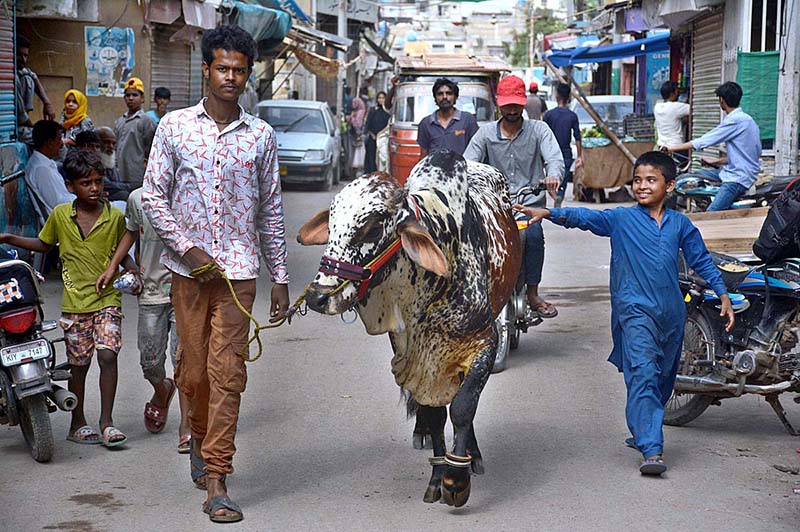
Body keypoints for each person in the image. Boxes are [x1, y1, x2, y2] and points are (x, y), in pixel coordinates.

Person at [142, 24, 290, 524]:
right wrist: (188, 248)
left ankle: (218, 479)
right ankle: (199, 441)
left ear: (249, 76)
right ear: (206, 70)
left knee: (228, 373)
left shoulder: (261, 136)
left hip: (240, 275)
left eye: (240, 71)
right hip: (188, 275)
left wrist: (281, 277)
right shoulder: (175, 127)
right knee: (193, 372)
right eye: (222, 68)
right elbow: (152, 198)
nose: (231, 77)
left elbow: (270, 210)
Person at [513, 151, 734, 476]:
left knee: (663, 378)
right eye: (637, 180)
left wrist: (723, 293)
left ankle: (644, 426)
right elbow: (583, 218)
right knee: (643, 372)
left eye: (650, 180)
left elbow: (701, 259)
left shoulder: (680, 225)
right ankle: (651, 447)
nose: (641, 186)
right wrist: (548, 212)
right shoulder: (622, 219)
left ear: (669, 185)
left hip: (673, 313)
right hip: (634, 311)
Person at [0, 150, 139, 448]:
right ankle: (77, 423)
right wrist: (10, 239)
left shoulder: (114, 216)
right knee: (79, 365)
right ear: (70, 186)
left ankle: (107, 422)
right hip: (75, 304)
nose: (94, 188)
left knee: (107, 355)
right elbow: (44, 243)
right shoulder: (61, 215)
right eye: (86, 183)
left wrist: (134, 271)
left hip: (107, 299)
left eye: (98, 182)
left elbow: (122, 251)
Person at [96, 186, 191, 453]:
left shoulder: (191, 192)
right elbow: (130, 230)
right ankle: (162, 390)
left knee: (183, 361)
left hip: (185, 290)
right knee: (150, 363)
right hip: (150, 292)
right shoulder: (138, 198)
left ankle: (187, 427)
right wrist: (115, 266)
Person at [464, 74, 564, 319]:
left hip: (528, 206)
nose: (511, 110)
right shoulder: (485, 134)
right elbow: (468, 163)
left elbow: (554, 159)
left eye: (516, 104)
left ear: (523, 103)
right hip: (494, 206)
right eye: (507, 104)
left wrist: (552, 176)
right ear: (499, 104)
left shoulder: (539, 129)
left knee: (533, 236)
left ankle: (532, 293)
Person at [664, 82, 761, 211]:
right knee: (690, 178)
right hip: (731, 172)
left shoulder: (735, 120)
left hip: (737, 179)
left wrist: (670, 148)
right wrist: (715, 161)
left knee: (710, 214)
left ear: (722, 100)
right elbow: (746, 155)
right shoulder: (748, 120)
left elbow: (705, 141)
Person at [24, 120, 74, 220]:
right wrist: (83, 199)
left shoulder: (45, 163)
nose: (61, 144)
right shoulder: (41, 169)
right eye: (59, 139)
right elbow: (58, 203)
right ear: (50, 143)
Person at [416, 78, 479, 158]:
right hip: (435, 169)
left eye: (449, 93)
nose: (445, 97)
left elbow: (476, 150)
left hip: (461, 169)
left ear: (455, 97)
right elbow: (424, 154)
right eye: (440, 94)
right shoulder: (426, 123)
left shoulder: (468, 119)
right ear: (435, 98)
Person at [114, 77, 157, 191]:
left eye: (135, 95)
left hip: (137, 175)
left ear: (142, 98)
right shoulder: (119, 121)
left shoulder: (146, 121)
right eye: (128, 95)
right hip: (119, 174)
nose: (131, 98)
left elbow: (151, 149)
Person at [544, 83, 582, 209]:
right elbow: (577, 137)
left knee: (551, 174)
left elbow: (542, 136)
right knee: (564, 177)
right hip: (566, 151)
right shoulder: (572, 116)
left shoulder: (549, 115)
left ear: (557, 96)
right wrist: (580, 155)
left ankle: (555, 196)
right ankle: (559, 195)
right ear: (568, 97)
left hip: (550, 151)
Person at [16, 35, 55, 121]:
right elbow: (22, 117)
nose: (23, 59)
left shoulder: (21, 71)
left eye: (25, 56)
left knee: (28, 78)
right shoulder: (11, 77)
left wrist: (47, 103)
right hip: (19, 121)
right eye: (19, 55)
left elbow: (33, 76)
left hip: (23, 119)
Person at [653, 81, 690, 166]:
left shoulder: (657, 107)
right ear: (672, 93)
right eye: (677, 91)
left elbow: (672, 119)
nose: (679, 94)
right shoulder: (676, 107)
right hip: (676, 148)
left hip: (662, 147)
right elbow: (694, 107)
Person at [95, 126, 131, 204]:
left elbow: (117, 184)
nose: (111, 146)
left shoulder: (110, 159)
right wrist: (131, 186)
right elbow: (107, 185)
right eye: (106, 142)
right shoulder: (92, 160)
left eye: (113, 143)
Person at [364, 91, 390, 173]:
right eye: (379, 98)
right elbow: (368, 124)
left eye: (383, 98)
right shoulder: (372, 110)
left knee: (382, 158)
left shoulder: (387, 112)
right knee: (371, 158)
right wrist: (372, 134)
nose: (381, 100)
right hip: (373, 139)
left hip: (383, 140)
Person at [346, 89, 367, 179]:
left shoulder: (359, 113)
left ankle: (356, 173)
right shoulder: (360, 111)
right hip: (356, 136)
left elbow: (357, 124)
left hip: (358, 136)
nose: (353, 105)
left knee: (357, 155)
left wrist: (351, 118)